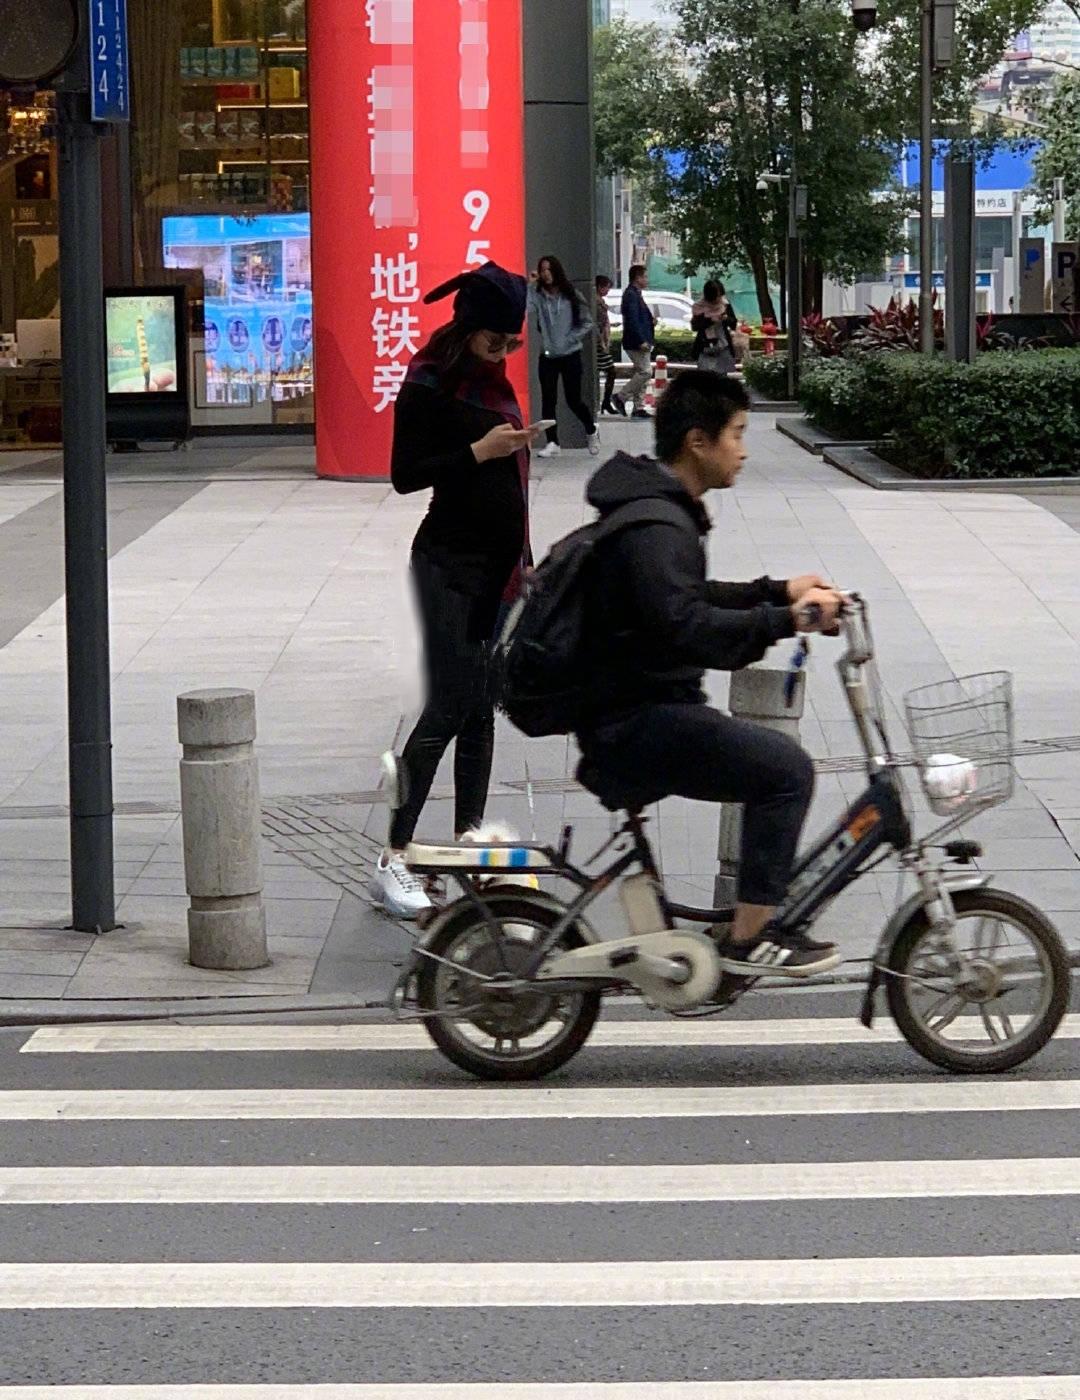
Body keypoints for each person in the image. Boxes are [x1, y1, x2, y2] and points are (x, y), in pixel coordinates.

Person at [576, 370, 845, 977]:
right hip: (636, 720)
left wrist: (776, 592)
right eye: (738, 434)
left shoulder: (658, 512)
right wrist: (788, 618)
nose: (745, 450)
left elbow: (688, 600)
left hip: (637, 709)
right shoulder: (658, 526)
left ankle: (742, 926)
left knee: (770, 768)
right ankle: (749, 940)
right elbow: (689, 627)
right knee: (785, 772)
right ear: (698, 442)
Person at [375, 262, 540, 919]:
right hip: (448, 565)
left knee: (478, 709)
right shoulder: (430, 381)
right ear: (466, 328)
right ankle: (394, 854)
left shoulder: (491, 381)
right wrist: (480, 451)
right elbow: (405, 475)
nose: (502, 354)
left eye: (510, 344)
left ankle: (469, 849)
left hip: (498, 574)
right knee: (448, 706)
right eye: (492, 342)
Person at [528, 255, 599, 459]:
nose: (545, 274)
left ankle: (591, 430)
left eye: (549, 270)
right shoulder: (539, 295)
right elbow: (525, 308)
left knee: (573, 400)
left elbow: (588, 322)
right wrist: (530, 285)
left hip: (570, 355)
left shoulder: (571, 295)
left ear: (556, 271)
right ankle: (552, 441)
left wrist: (570, 338)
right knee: (548, 400)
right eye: (542, 270)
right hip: (548, 355)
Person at [611, 264, 654, 419]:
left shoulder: (636, 294)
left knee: (641, 372)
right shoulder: (631, 295)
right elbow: (632, 320)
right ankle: (621, 396)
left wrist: (650, 321)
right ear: (638, 277)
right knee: (645, 371)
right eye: (645, 276)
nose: (647, 280)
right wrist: (641, 340)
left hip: (642, 340)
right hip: (636, 342)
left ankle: (638, 407)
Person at [691, 279, 738, 375]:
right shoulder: (699, 307)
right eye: (716, 296)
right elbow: (695, 327)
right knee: (706, 377)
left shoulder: (725, 304)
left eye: (720, 295)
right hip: (706, 348)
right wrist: (711, 320)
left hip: (723, 346)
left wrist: (726, 319)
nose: (718, 298)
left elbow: (733, 324)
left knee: (722, 378)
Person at [595, 274, 618, 417]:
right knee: (611, 371)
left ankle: (605, 402)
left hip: (600, 342)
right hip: (598, 343)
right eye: (606, 287)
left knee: (607, 371)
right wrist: (602, 341)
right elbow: (597, 324)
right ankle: (605, 402)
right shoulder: (596, 303)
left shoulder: (600, 302)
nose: (608, 290)